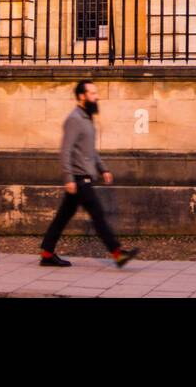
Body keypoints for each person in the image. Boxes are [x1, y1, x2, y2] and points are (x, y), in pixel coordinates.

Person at [39, 80, 139, 268]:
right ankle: (118, 254)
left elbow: (90, 151)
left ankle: (47, 253)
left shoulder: (86, 119)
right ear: (82, 96)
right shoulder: (74, 119)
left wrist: (103, 169)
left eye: (96, 92)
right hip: (79, 179)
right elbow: (65, 151)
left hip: (82, 178)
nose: (97, 96)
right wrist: (68, 178)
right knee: (98, 215)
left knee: (62, 217)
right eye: (92, 93)